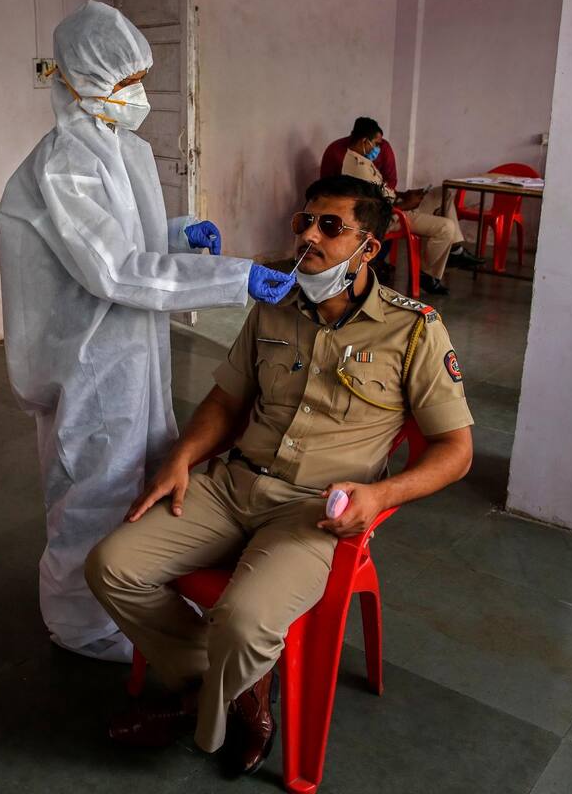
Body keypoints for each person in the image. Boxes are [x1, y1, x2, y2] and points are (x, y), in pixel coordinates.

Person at [86, 175, 474, 774]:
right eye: (303, 222)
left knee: (242, 621)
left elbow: (456, 449)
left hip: (318, 511)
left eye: (330, 227)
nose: (307, 238)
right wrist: (183, 457)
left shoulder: (415, 329)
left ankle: (199, 711)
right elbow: (224, 401)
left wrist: (382, 494)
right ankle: (220, 689)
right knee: (112, 565)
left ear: (369, 248)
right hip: (236, 485)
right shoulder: (275, 306)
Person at [0, 1, 294, 662]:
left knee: (149, 467)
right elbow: (111, 269)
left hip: (130, 346)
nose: (137, 95)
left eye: (140, 78)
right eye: (124, 80)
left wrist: (179, 235)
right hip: (88, 356)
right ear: (82, 78)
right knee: (95, 488)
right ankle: (80, 623)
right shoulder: (63, 166)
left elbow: (125, 242)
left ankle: (135, 589)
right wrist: (232, 277)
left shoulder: (118, 148)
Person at [321, 117, 481, 295]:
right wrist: (406, 204)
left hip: (398, 204)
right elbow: (376, 207)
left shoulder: (361, 159)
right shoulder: (356, 167)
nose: (378, 149)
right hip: (393, 216)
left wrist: (405, 194)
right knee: (446, 227)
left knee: (443, 194)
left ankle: (454, 249)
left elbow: (383, 190)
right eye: (376, 144)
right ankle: (427, 275)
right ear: (365, 141)